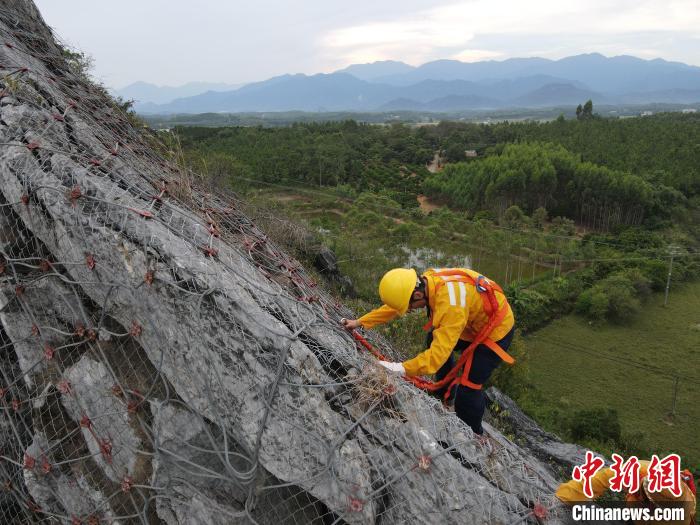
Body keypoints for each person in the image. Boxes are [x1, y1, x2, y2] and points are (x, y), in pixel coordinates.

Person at [342, 267, 515, 435]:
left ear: (417, 295)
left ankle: (473, 434)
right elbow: (395, 307)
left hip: (496, 331)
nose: (410, 310)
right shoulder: (426, 281)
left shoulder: (449, 304)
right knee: (434, 337)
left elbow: (435, 359)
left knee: (469, 387)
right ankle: (444, 393)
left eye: (410, 307)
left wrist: (400, 368)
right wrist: (359, 322)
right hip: (473, 320)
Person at [556, 460, 696, 525]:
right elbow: (598, 480)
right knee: (581, 508)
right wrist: (562, 497)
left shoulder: (679, 518)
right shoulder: (638, 471)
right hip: (633, 513)